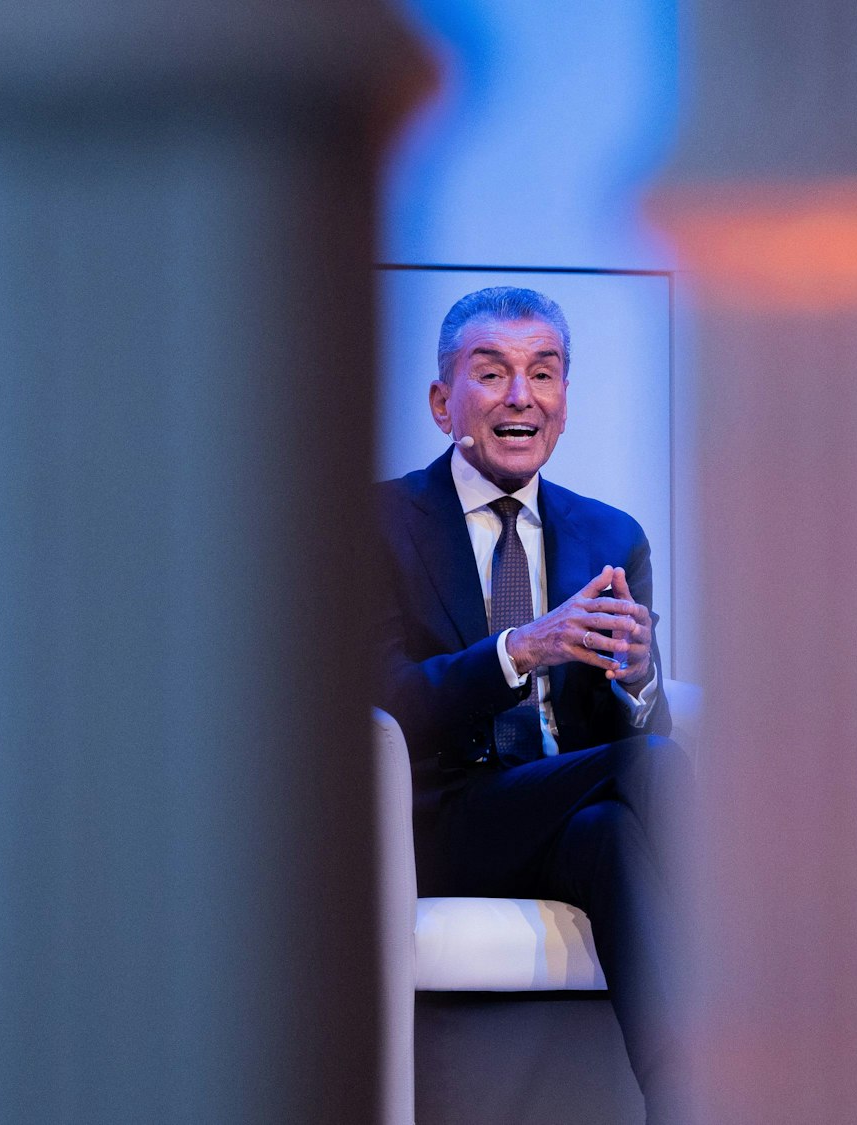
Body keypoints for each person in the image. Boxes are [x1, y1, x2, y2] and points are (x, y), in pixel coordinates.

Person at [375, 286, 685, 1123]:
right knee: (649, 772)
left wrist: (640, 675)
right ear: (444, 402)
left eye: (543, 373)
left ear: (565, 401)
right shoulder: (381, 523)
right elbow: (388, 704)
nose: (522, 396)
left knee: (611, 831)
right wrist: (523, 648)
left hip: (564, 813)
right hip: (442, 824)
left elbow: (638, 728)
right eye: (493, 373)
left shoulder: (609, 534)